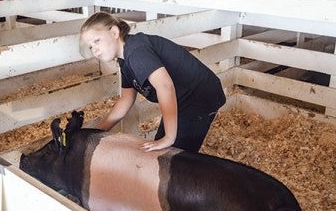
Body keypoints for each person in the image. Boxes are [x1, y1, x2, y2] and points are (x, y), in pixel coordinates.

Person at [80, 12, 226, 152]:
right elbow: (126, 99)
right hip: (182, 100)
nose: (95, 50)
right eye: (91, 46)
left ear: (114, 32)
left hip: (200, 97)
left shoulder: (136, 51)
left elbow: (165, 86)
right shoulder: (125, 61)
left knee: (176, 157)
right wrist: (97, 132)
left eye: (97, 40)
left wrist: (169, 138)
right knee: (162, 152)